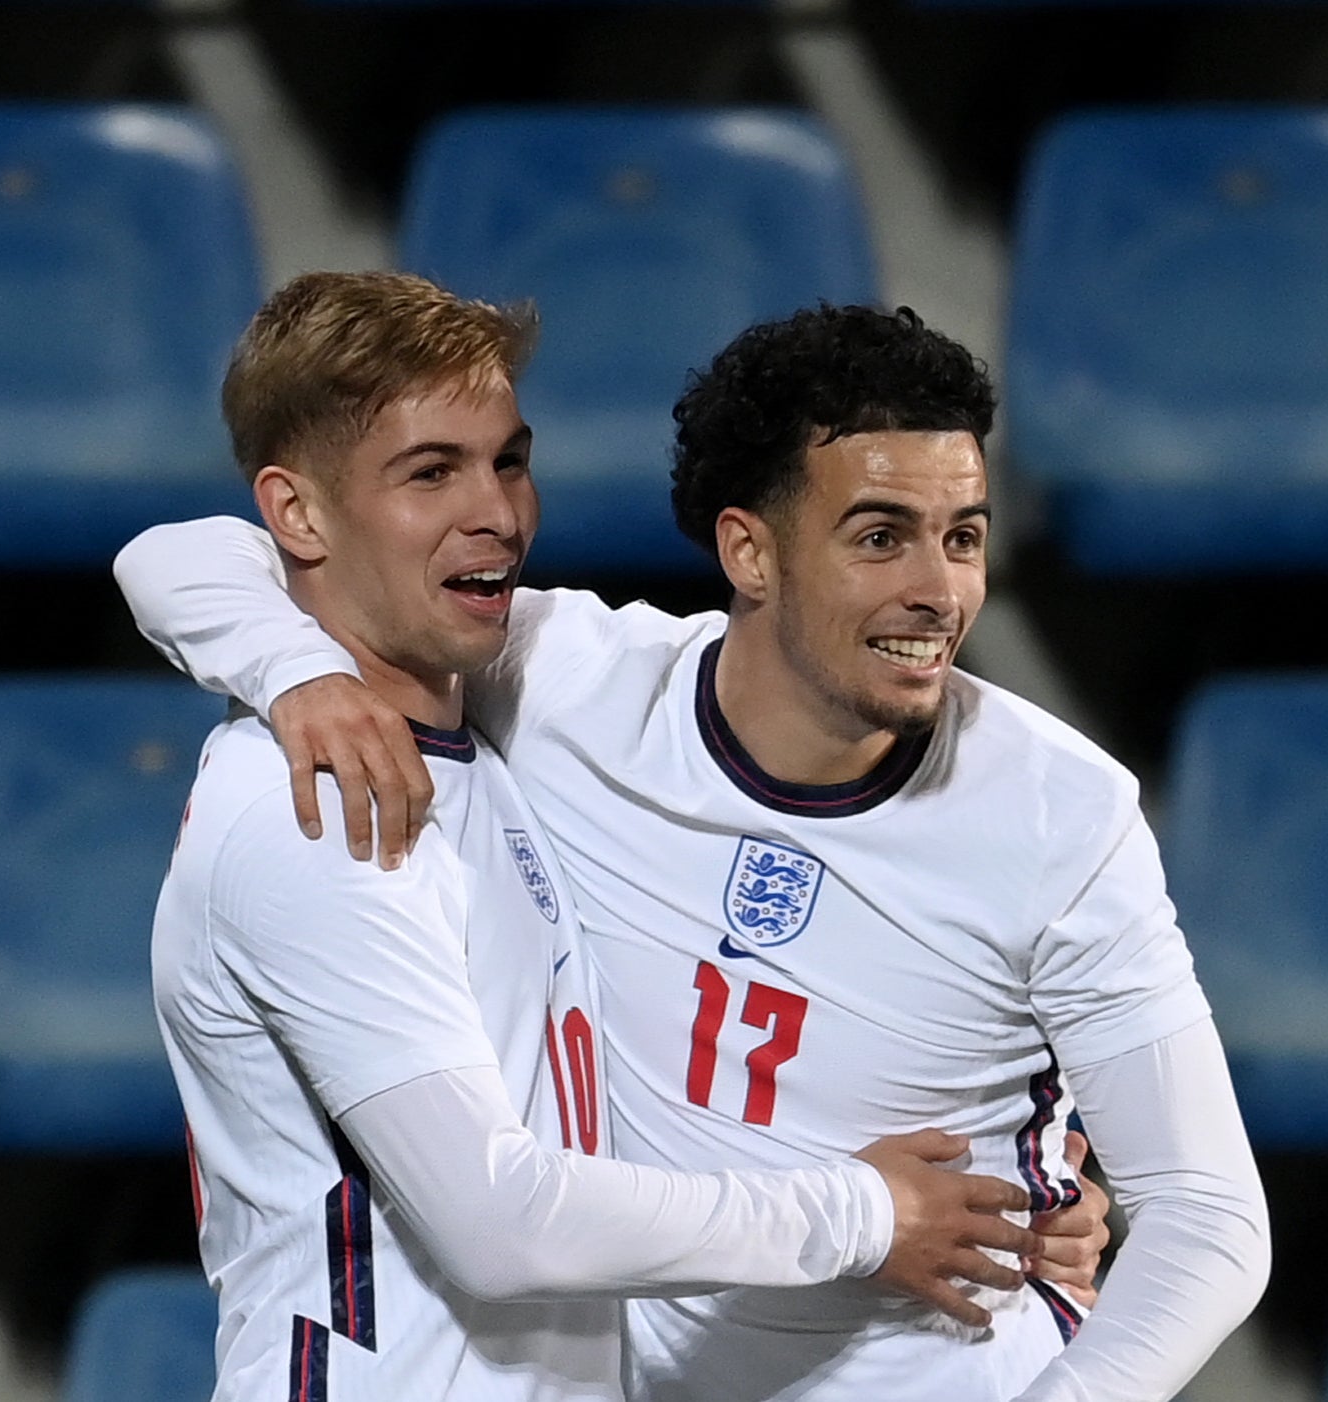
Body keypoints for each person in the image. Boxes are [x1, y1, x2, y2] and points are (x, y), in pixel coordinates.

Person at [122, 298, 1264, 1402]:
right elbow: (194, 555)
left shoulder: (1061, 811)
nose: (937, 590)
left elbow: (1210, 1213)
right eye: (880, 536)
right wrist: (292, 669)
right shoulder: (543, 697)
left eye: (962, 537)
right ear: (749, 553)